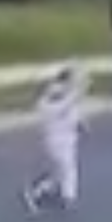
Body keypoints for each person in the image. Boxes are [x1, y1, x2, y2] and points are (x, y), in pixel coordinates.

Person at [23, 64, 86, 214]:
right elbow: (67, 103)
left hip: (66, 140)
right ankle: (66, 197)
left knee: (61, 171)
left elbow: (74, 113)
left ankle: (41, 190)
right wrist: (79, 88)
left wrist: (81, 125)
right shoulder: (50, 102)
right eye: (72, 80)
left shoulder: (64, 96)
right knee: (68, 169)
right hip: (57, 141)